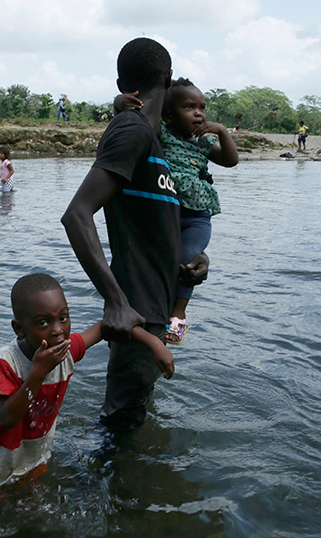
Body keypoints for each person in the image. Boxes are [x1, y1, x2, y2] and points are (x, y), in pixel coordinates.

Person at [61, 37, 208, 432]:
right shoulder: (132, 129)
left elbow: (157, 226)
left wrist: (196, 261)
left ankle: (122, 489)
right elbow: (77, 214)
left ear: (122, 82)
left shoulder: (159, 143)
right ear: (168, 77)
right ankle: (100, 492)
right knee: (119, 428)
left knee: (130, 420)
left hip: (155, 308)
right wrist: (116, 301)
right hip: (136, 311)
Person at [0, 273, 173, 490]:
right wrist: (39, 371)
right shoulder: (7, 360)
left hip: (35, 454)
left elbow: (107, 326)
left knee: (29, 501)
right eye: (43, 322)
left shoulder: (66, 351)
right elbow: (8, 417)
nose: (58, 330)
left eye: (63, 318)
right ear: (19, 329)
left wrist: (153, 343)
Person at [114, 78, 238, 344]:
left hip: (198, 218)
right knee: (167, 259)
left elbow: (231, 160)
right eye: (189, 107)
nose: (199, 113)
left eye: (202, 108)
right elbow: (139, 122)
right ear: (169, 114)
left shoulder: (204, 145)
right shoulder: (162, 135)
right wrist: (119, 105)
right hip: (168, 213)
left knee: (188, 260)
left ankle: (179, 314)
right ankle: (156, 312)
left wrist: (222, 131)